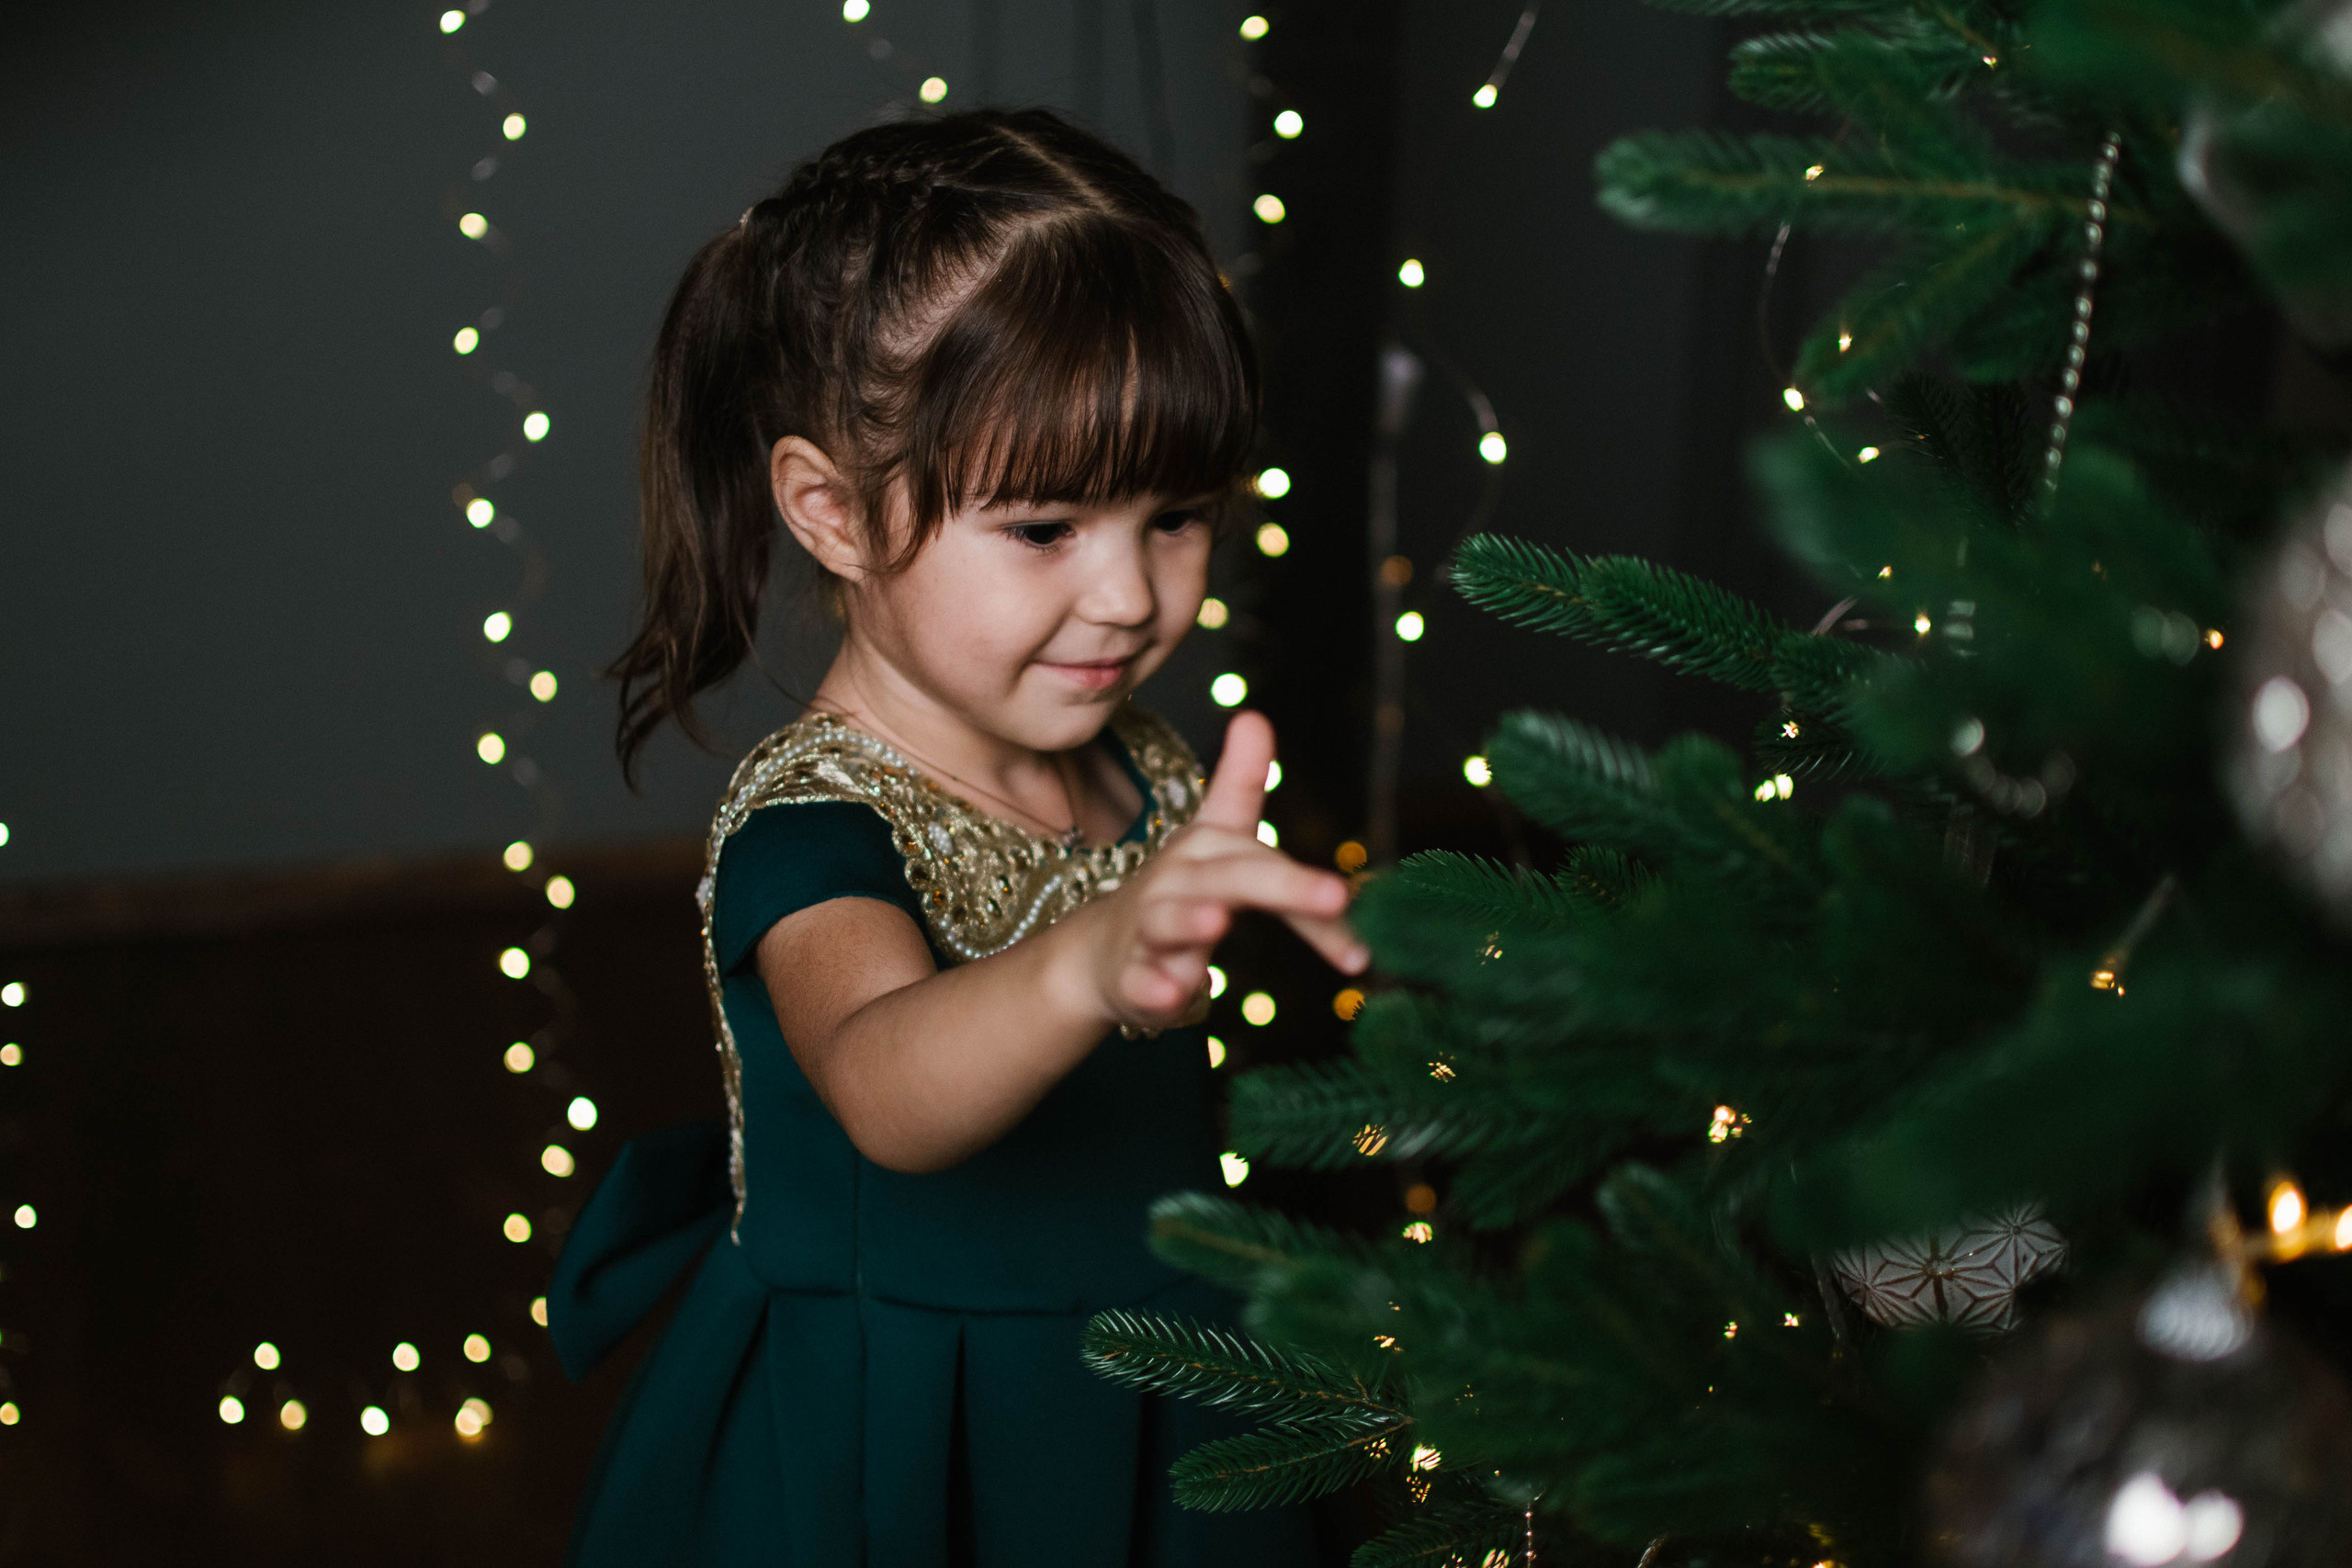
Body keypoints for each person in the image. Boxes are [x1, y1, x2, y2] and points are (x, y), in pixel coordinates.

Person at [546, 108, 1365, 1567]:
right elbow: (883, 1085)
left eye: (1176, 515)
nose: (1128, 596)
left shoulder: (1143, 765)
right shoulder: (814, 829)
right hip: (915, 1428)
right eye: (1047, 528)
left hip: (1166, 1385)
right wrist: (1084, 962)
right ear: (832, 512)